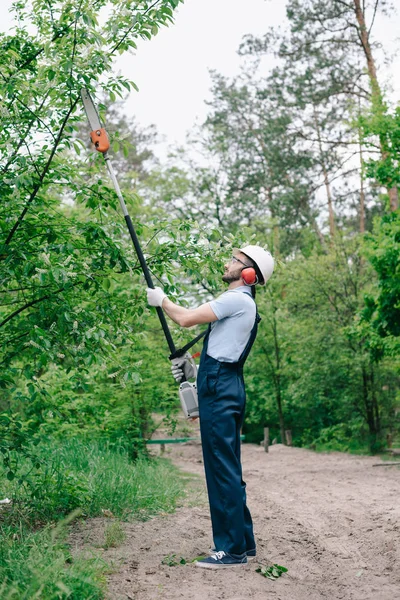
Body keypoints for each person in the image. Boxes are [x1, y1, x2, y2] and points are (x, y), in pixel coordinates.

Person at [146, 245, 274, 569]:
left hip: (221, 388)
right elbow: (221, 351)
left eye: (236, 261)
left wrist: (161, 299)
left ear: (249, 273)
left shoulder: (237, 298)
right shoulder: (242, 306)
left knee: (221, 469)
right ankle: (243, 542)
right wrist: (193, 369)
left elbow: (186, 319)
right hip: (224, 383)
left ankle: (230, 550)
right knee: (228, 466)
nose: (229, 263)